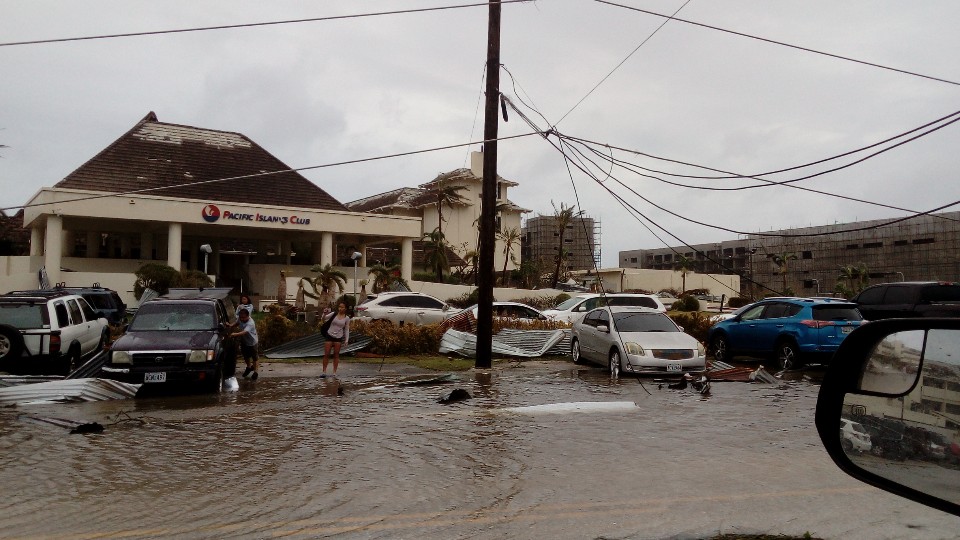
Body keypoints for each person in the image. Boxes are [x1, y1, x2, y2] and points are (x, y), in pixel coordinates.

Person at [321, 302, 350, 378]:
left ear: (345, 309)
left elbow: (346, 329)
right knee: (326, 353)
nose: (340, 309)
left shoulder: (347, 318)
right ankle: (324, 371)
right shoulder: (334, 314)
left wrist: (346, 340)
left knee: (336, 355)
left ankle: (334, 372)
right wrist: (324, 313)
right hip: (329, 335)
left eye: (342, 307)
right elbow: (324, 318)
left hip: (338, 337)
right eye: (339, 307)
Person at [231, 308, 260, 380]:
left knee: (254, 357)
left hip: (252, 342)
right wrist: (230, 325)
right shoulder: (240, 318)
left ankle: (255, 372)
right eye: (241, 317)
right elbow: (237, 323)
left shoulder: (250, 323)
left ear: (248, 316)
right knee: (246, 355)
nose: (242, 319)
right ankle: (249, 367)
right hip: (244, 341)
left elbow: (244, 332)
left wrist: (235, 334)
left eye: (244, 318)